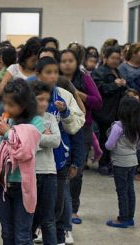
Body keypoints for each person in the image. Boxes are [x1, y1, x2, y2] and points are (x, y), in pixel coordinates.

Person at [0, 79, 43, 245]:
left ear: (24, 104)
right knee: (7, 234)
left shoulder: (36, 122)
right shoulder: (8, 120)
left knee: (23, 236)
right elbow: (0, 149)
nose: (6, 108)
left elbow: (25, 152)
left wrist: (8, 133)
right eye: (5, 103)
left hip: (22, 185)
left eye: (11, 104)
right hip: (3, 185)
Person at [34, 57, 85, 245]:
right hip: (34, 162)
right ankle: (37, 231)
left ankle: (61, 235)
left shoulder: (64, 95)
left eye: (56, 72)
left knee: (59, 204)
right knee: (36, 205)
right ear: (38, 74)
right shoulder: (28, 93)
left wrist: (65, 114)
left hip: (60, 161)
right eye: (48, 72)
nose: (53, 76)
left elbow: (76, 128)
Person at [60, 49, 102, 225]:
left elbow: (98, 102)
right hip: (59, 128)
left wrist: (78, 94)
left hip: (81, 128)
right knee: (59, 170)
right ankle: (59, 208)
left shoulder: (84, 78)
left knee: (77, 170)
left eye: (71, 60)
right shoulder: (55, 78)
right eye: (63, 61)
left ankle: (73, 210)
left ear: (77, 62)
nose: (67, 64)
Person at [30, 81, 61, 245]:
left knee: (48, 219)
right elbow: (26, 146)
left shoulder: (50, 118)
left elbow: (56, 141)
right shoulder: (24, 118)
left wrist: (35, 138)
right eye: (40, 99)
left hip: (49, 172)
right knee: (30, 218)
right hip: (29, 174)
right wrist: (42, 137)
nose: (44, 103)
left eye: (46, 100)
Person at [105, 97, 140, 228]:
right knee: (130, 189)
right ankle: (130, 217)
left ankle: (123, 219)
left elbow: (109, 145)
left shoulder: (118, 127)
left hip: (120, 163)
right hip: (133, 161)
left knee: (122, 191)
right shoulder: (136, 126)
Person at [92, 47, 127, 175]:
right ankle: (102, 164)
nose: (115, 60)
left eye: (118, 58)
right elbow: (99, 89)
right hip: (103, 111)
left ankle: (108, 163)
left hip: (115, 110)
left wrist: (124, 85)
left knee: (113, 137)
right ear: (105, 58)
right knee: (104, 137)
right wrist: (115, 85)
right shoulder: (99, 72)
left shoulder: (118, 71)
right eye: (113, 58)